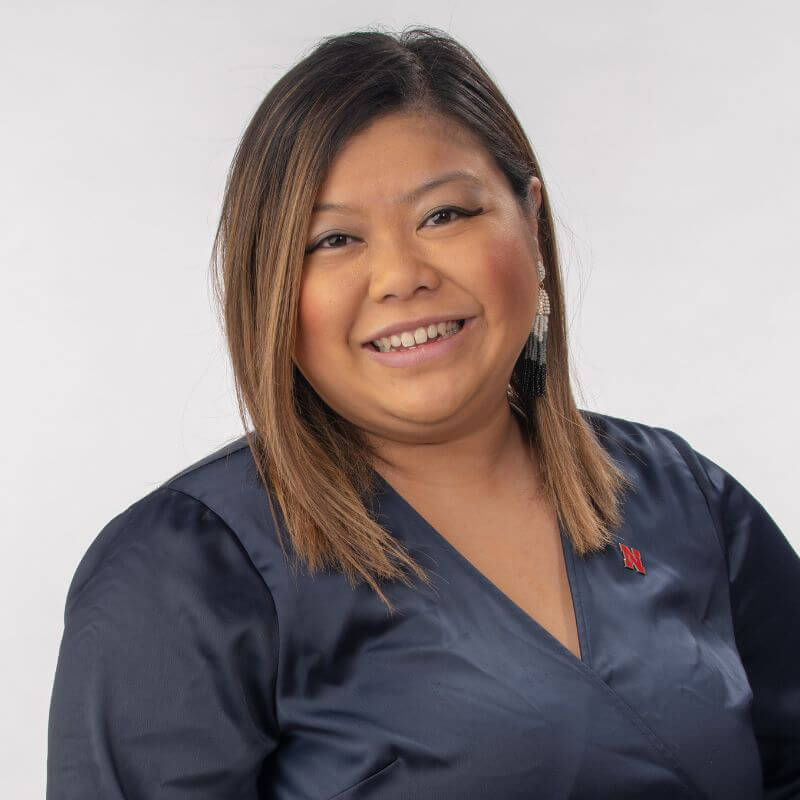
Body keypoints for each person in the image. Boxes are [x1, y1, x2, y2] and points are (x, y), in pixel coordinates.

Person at [46, 25, 799, 800]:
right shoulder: (183, 571)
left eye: (444, 216)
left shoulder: (687, 499)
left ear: (531, 221)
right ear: (268, 287)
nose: (400, 276)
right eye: (333, 239)